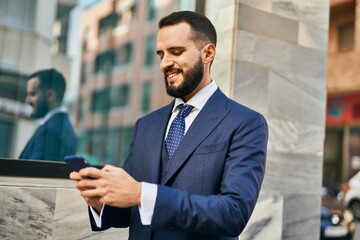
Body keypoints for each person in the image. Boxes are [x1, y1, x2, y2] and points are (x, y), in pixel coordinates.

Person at [70, 11, 268, 240]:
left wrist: (143, 194)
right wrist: (100, 202)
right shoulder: (146, 125)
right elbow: (130, 210)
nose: (165, 64)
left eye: (176, 52)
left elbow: (233, 214)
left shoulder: (245, 123)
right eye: (161, 55)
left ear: (208, 53)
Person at [19, 68, 77, 161]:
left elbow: (33, 173)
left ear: (50, 95)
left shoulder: (51, 131)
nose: (27, 99)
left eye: (32, 94)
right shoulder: (61, 126)